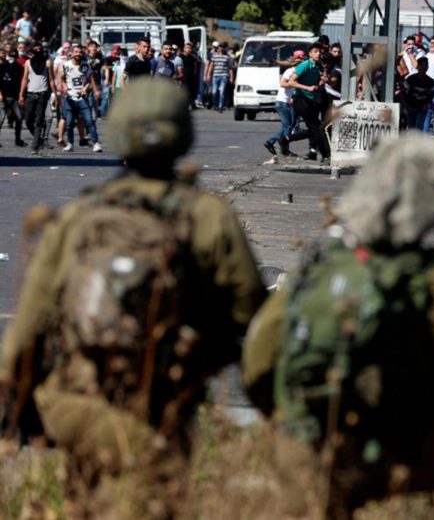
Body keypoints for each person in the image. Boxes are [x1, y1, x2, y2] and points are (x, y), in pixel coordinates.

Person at [0, 80, 266, 518]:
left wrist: (20, 407)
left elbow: (26, 329)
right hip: (164, 407)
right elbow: (250, 313)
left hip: (79, 406)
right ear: (184, 133)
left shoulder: (81, 216)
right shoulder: (207, 215)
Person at [242, 136, 434, 517]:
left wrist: (293, 424)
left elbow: (257, 366)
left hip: (307, 454)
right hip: (397, 453)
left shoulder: (308, 275)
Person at [288, 42, 330, 164]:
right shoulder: (304, 65)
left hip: (311, 100)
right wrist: (307, 88)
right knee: (317, 128)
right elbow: (291, 82)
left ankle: (286, 139)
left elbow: (321, 80)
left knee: (316, 128)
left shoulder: (319, 66)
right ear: (310, 54)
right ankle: (325, 154)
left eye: (320, 52)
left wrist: (323, 80)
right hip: (300, 98)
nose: (318, 54)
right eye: (316, 52)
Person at [58, 43, 102, 153]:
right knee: (69, 122)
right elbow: (61, 78)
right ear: (71, 53)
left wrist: (87, 88)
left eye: (80, 52)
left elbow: (90, 79)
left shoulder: (85, 65)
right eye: (76, 52)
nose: (78, 54)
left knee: (89, 121)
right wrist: (64, 86)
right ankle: (70, 143)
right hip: (70, 97)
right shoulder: (65, 65)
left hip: (82, 98)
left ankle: (96, 143)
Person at [264, 49, 305, 157]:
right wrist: (295, 84)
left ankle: (272, 142)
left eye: (302, 58)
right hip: (282, 102)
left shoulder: (299, 73)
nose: (301, 61)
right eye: (299, 59)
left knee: (289, 126)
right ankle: (283, 147)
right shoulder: (290, 71)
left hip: (288, 102)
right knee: (287, 126)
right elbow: (283, 84)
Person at [18, 42, 56, 155]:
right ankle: (38, 139)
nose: (38, 50)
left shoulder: (48, 62)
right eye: (36, 48)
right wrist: (21, 94)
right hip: (30, 94)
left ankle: (35, 147)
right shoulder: (28, 63)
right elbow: (25, 79)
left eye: (40, 48)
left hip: (42, 95)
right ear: (32, 50)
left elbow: (51, 80)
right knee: (28, 119)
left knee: (39, 120)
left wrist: (55, 94)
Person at [0, 47, 25, 147]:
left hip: (15, 97)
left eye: (14, 56)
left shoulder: (19, 67)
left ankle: (18, 139)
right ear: (7, 56)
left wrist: (20, 96)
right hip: (4, 97)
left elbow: (21, 81)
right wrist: (0, 94)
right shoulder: (2, 66)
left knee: (19, 119)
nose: (12, 58)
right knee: (0, 119)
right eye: (11, 56)